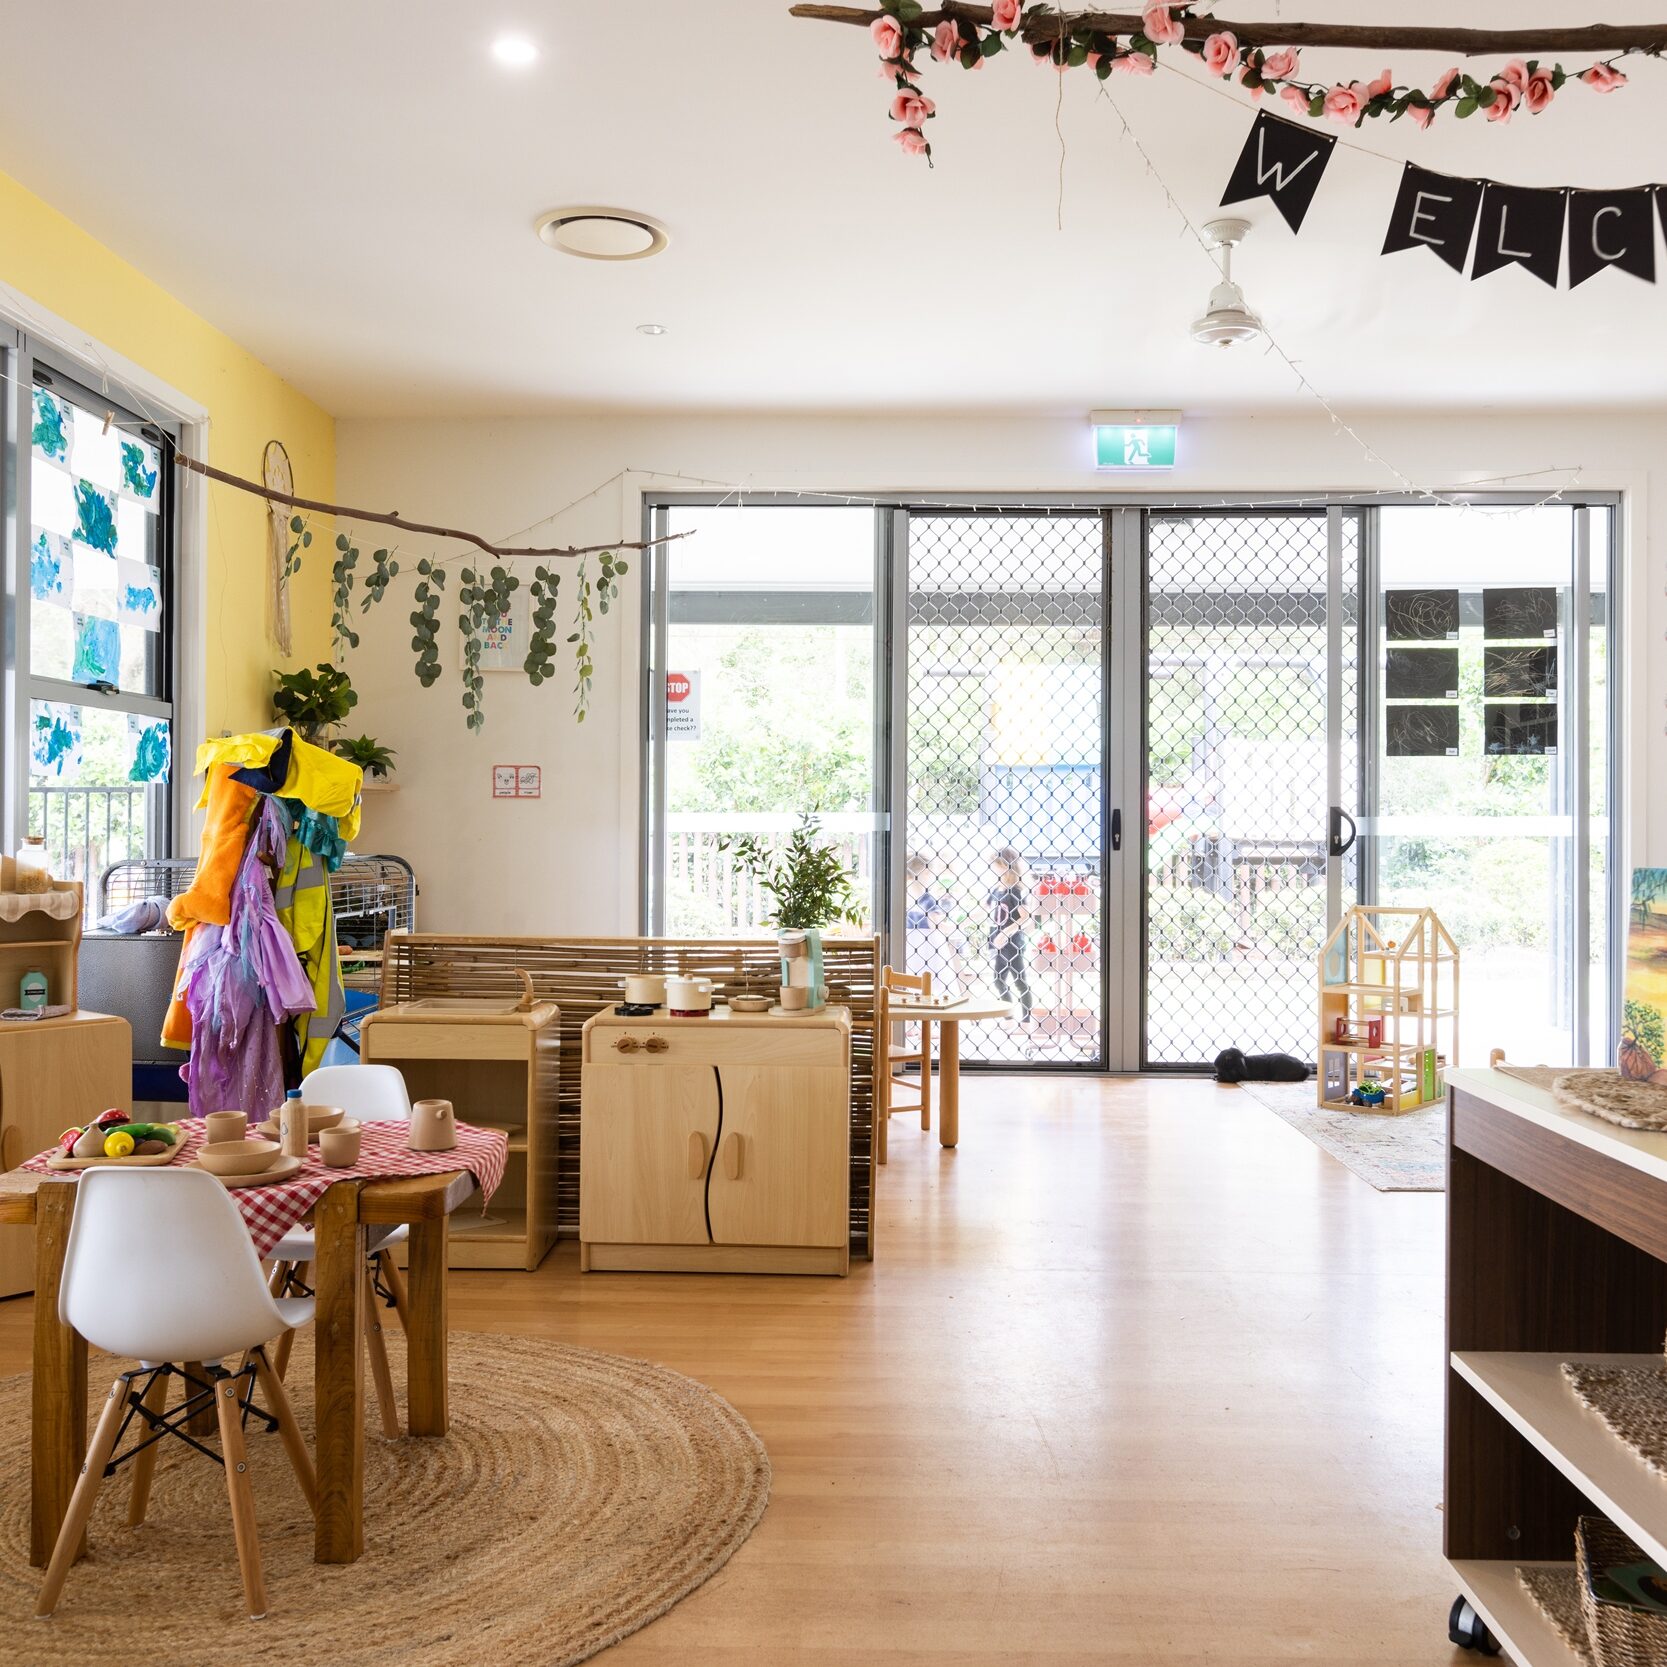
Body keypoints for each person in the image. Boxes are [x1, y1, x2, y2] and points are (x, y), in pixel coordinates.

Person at [987, 847, 1033, 1024]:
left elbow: (1026, 917)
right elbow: (984, 910)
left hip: (1013, 943)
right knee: (998, 981)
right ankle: (1009, 1016)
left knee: (1020, 982)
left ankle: (1026, 1020)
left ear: (1006, 865)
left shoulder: (1015, 890)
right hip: (999, 943)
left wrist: (1006, 932)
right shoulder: (997, 889)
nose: (994, 868)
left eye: (996, 865)